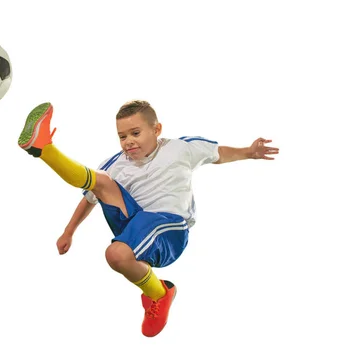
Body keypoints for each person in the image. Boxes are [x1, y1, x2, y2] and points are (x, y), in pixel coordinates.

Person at [17, 100, 279, 337]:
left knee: (116, 254)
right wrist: (68, 231)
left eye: (135, 133)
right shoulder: (116, 163)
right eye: (122, 136)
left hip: (170, 227)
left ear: (157, 129)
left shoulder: (181, 148)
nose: (128, 141)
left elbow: (218, 154)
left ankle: (159, 294)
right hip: (134, 223)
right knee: (103, 181)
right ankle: (44, 149)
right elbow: (89, 198)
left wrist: (249, 152)